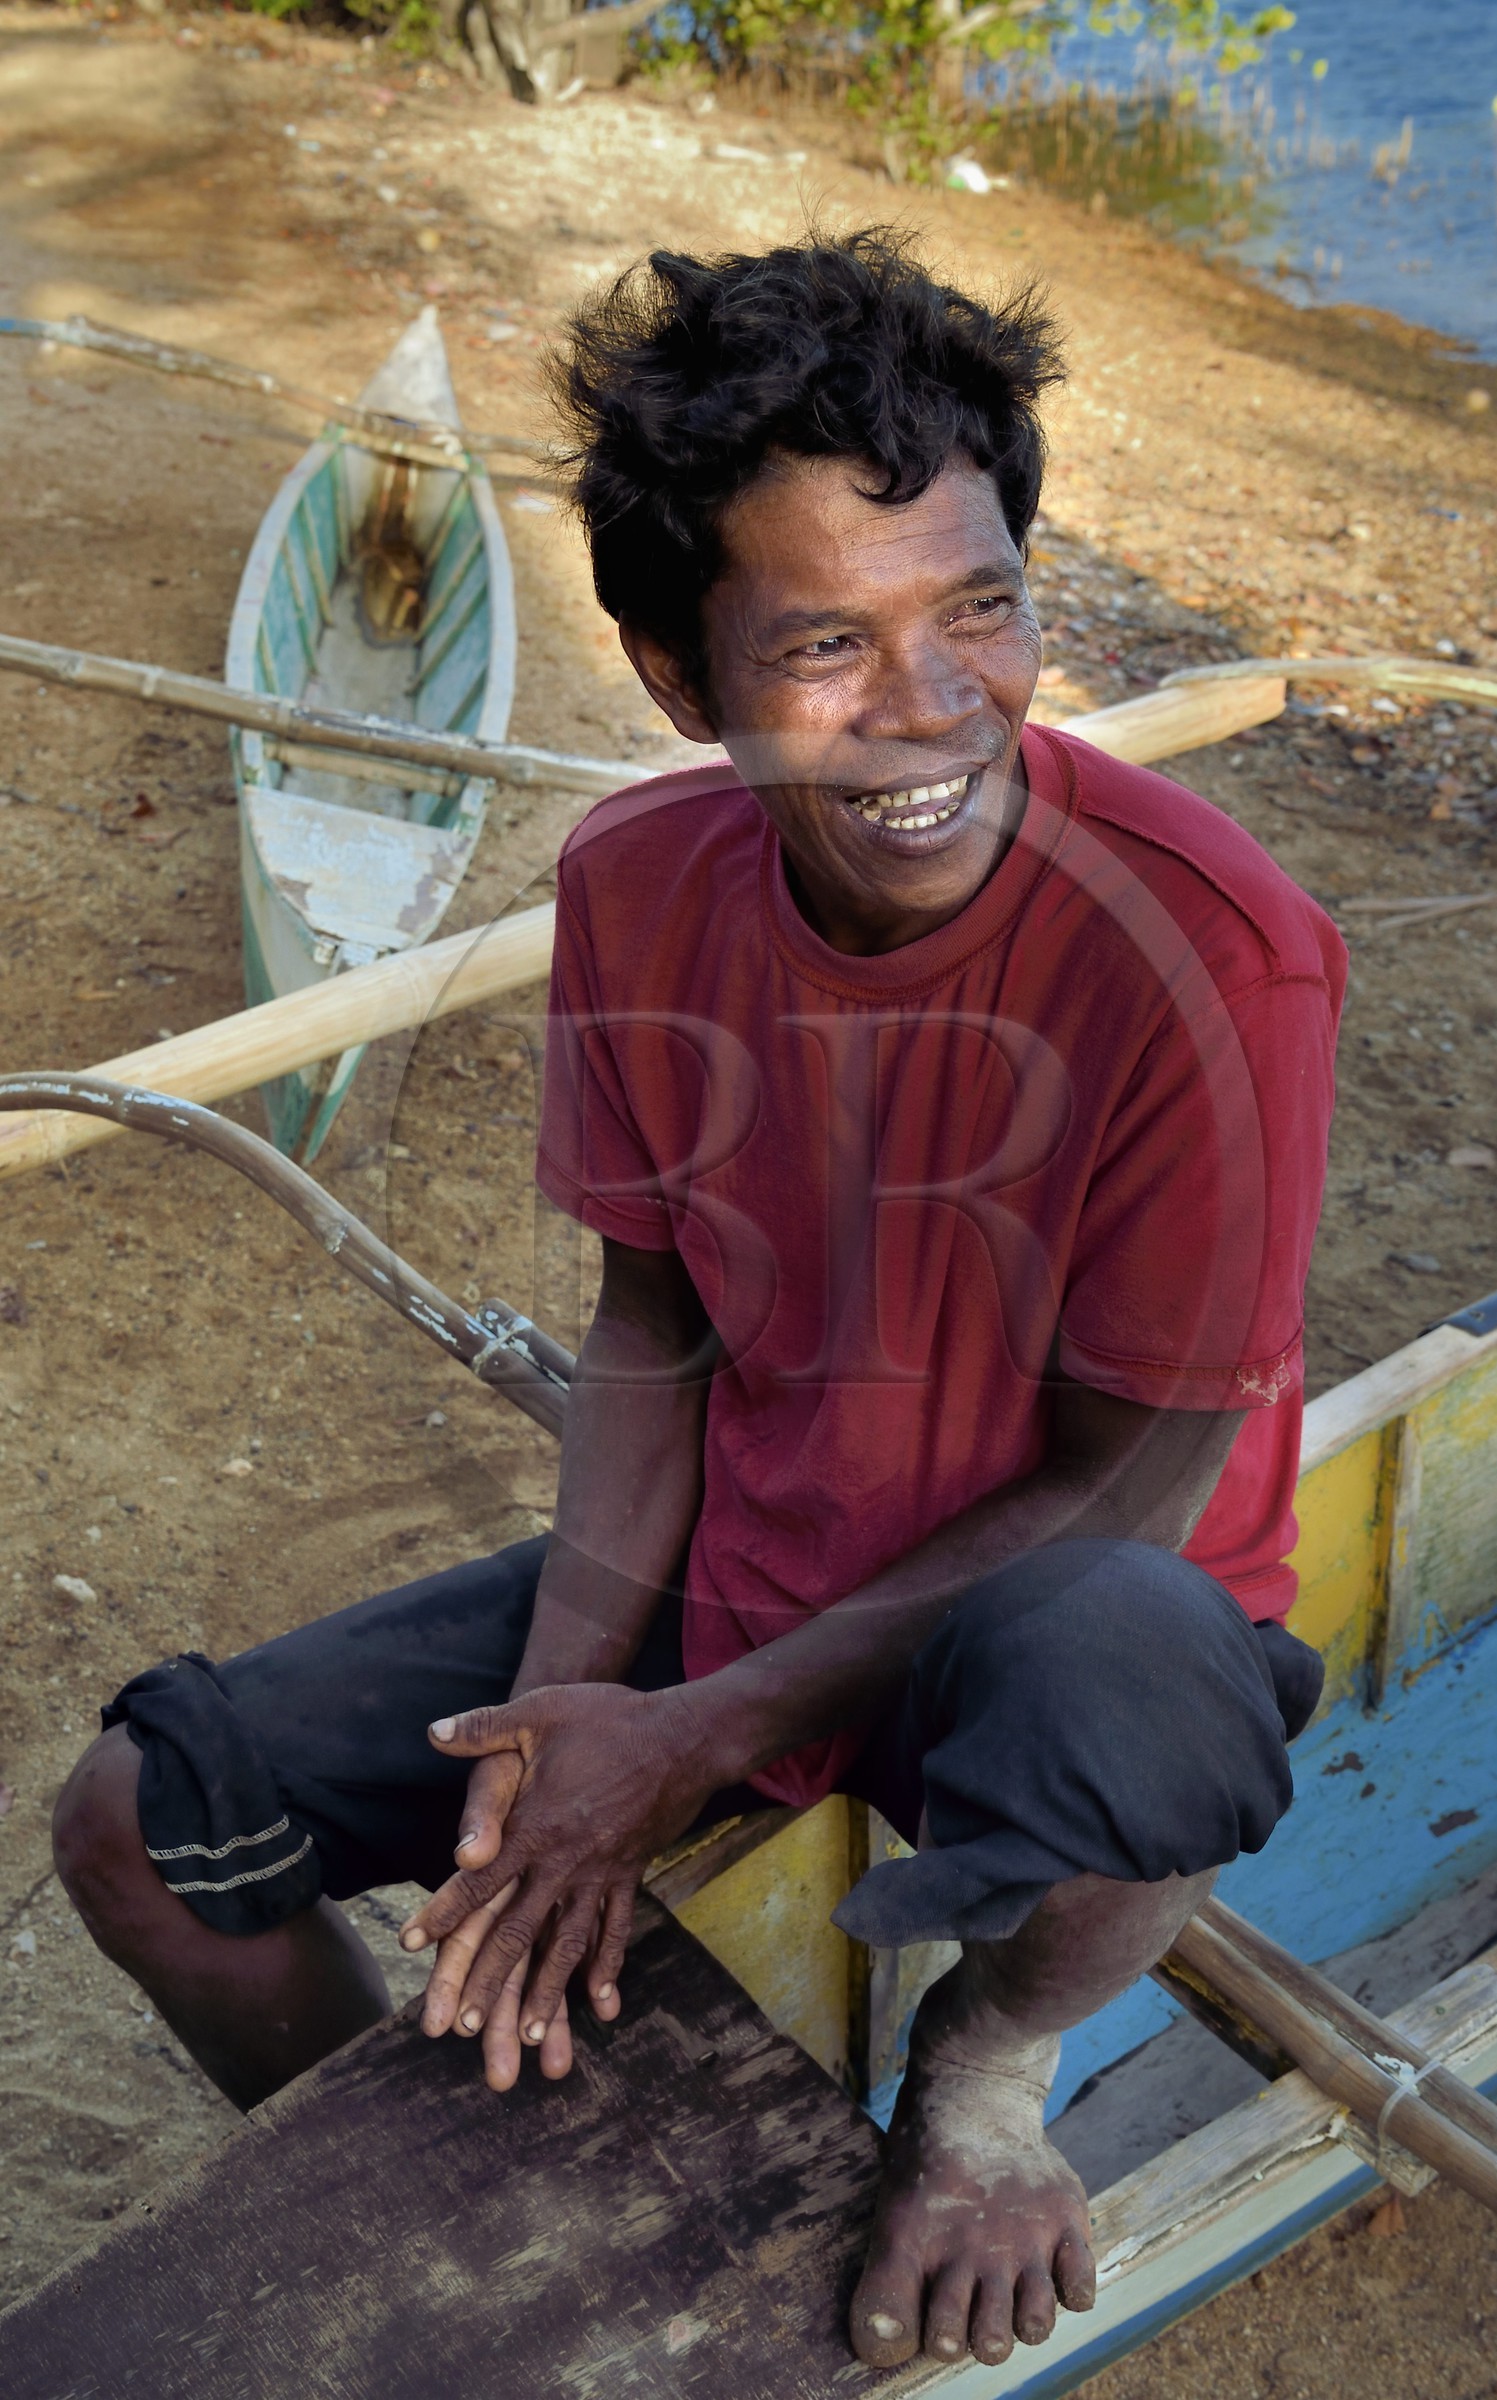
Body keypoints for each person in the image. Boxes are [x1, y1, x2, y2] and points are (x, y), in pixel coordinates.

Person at [53, 231, 1344, 2373]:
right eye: (824, 643)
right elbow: (649, 1335)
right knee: (146, 1825)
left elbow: (1127, 1489)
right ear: (674, 675)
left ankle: (987, 2067)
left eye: (982, 608)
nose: (928, 706)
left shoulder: (1211, 954)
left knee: (1140, 1686)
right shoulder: (639, 887)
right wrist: (561, 1735)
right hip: (739, 1584)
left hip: (1044, 1640)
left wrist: (696, 1741)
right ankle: (458, 2160)